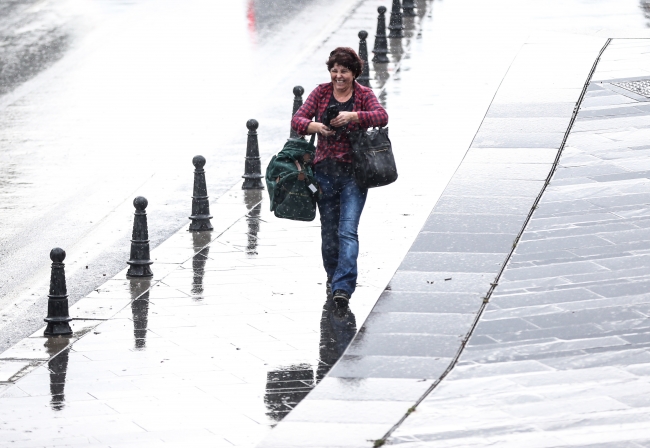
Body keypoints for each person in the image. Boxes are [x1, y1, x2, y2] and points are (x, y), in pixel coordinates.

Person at [291, 47, 389, 311]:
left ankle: (343, 287)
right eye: (334, 70)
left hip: (354, 175)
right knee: (329, 233)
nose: (338, 76)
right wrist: (316, 126)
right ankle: (333, 276)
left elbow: (382, 116)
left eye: (344, 71)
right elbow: (298, 119)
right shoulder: (321, 92)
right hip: (324, 174)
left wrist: (354, 116)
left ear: (354, 72)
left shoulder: (364, 95)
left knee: (347, 230)